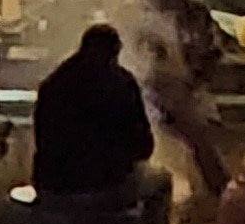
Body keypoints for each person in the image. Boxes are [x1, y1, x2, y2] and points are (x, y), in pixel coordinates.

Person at [131, 0, 232, 224]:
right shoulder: (135, 18)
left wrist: (187, 87)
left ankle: (222, 206)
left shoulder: (196, 16)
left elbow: (211, 58)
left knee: (199, 132)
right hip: (145, 100)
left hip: (189, 96)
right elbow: (134, 67)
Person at [28, 23, 158, 210]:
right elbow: (143, 145)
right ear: (115, 51)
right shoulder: (122, 83)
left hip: (52, 189)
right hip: (105, 189)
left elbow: (42, 137)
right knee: (159, 183)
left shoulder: (53, 83)